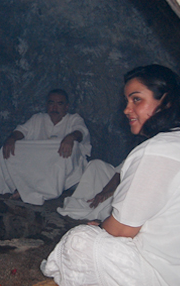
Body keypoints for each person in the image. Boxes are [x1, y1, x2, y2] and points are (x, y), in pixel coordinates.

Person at [41, 64, 180, 285]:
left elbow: (122, 229)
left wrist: (101, 228)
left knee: (79, 239)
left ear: (167, 102)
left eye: (136, 99)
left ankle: (58, 273)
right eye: (126, 101)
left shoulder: (155, 150)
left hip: (161, 272)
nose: (126, 109)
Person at [0, 89, 91, 205]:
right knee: (11, 147)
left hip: (61, 159)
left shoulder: (74, 119)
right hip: (38, 162)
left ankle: (40, 191)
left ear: (67, 107)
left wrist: (70, 138)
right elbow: (21, 131)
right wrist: (12, 138)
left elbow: (81, 131)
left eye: (59, 104)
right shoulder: (38, 118)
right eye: (51, 103)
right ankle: (23, 187)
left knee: (68, 150)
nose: (54, 107)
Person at [57, 159, 123, 221]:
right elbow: (119, 172)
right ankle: (91, 202)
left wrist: (113, 192)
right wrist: (105, 191)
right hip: (119, 183)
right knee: (96, 165)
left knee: (110, 212)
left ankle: (101, 210)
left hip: (126, 192)